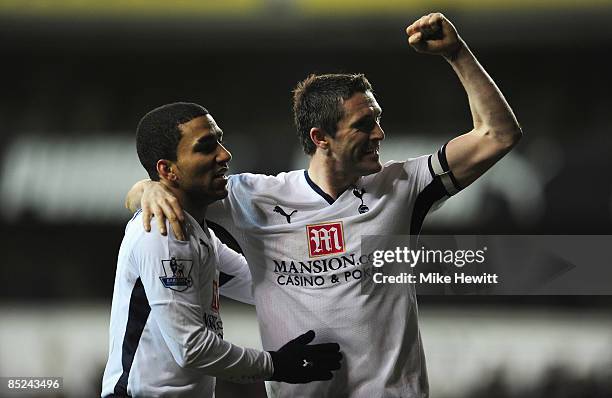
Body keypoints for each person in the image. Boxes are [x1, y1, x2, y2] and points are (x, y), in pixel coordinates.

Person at [126, 13, 522, 397]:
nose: (379, 132)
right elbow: (176, 189)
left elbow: (498, 135)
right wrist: (148, 190)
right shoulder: (252, 198)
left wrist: (457, 54)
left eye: (378, 119)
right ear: (321, 137)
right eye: (364, 124)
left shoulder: (404, 186)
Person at [102, 103, 342, 397]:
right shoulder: (162, 232)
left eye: (219, 140)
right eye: (205, 147)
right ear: (167, 170)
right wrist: (276, 365)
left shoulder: (197, 233)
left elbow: (265, 286)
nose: (224, 155)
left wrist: (344, 283)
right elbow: (192, 349)